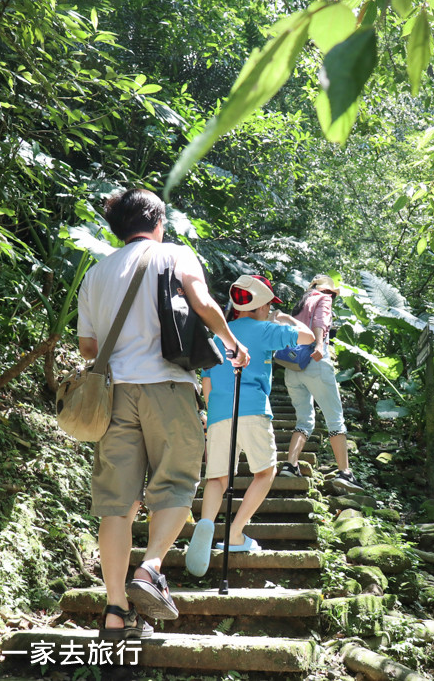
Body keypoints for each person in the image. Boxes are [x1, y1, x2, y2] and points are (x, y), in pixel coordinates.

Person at [76, 188, 249, 638]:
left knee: (116, 504)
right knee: (175, 482)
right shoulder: (174, 254)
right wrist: (232, 344)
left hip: (115, 396)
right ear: (157, 222)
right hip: (168, 387)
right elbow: (202, 302)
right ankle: (150, 568)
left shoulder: (95, 274)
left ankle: (115, 613)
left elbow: (89, 348)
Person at [186, 275, 314, 576]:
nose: (271, 309)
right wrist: (283, 317)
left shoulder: (220, 332)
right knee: (265, 472)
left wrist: (211, 412)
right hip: (253, 409)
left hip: (218, 412)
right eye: (270, 304)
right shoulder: (267, 329)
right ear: (261, 305)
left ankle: (206, 523)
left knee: (217, 478)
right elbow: (308, 338)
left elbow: (206, 379)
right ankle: (234, 534)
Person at [278, 274, 363, 493]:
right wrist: (318, 344)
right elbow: (320, 322)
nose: (332, 298)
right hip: (315, 362)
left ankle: (291, 464)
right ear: (328, 292)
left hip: (293, 368)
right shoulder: (322, 299)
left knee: (304, 420)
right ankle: (345, 472)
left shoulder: (299, 305)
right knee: (335, 418)